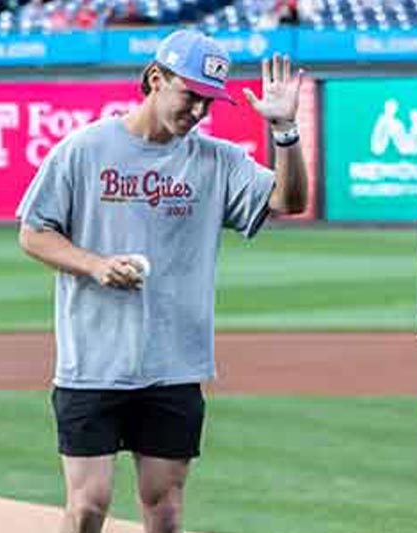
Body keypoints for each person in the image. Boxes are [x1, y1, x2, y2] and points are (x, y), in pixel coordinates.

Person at [16, 29, 307, 533]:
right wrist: (95, 264)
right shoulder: (84, 149)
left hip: (175, 362)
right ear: (156, 78)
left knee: (165, 509)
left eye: (208, 102)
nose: (198, 112)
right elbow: (34, 233)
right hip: (92, 362)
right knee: (88, 505)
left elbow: (289, 200)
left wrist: (284, 131)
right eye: (190, 95)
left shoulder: (216, 160)